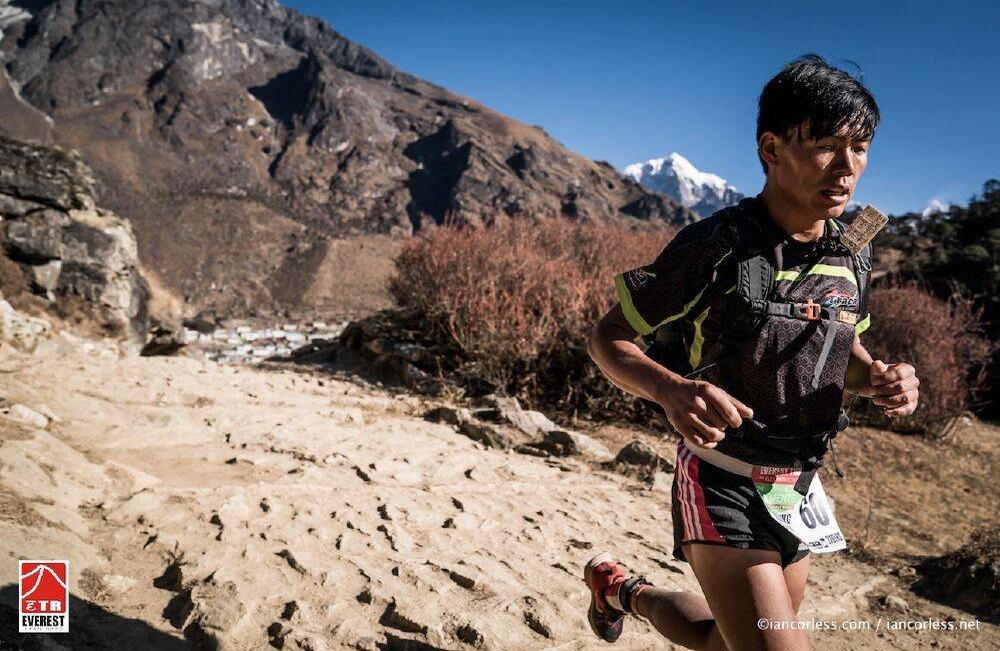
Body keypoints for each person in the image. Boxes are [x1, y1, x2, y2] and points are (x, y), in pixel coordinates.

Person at [584, 54, 920, 650]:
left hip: (798, 486)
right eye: (825, 145)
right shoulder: (715, 246)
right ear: (771, 147)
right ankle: (623, 591)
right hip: (722, 476)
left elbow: (845, 352)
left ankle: (621, 591)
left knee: (727, 641)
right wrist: (669, 388)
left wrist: (885, 378)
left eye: (861, 148)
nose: (847, 168)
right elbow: (608, 338)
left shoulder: (854, 255)